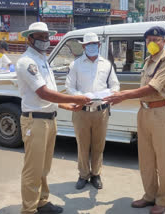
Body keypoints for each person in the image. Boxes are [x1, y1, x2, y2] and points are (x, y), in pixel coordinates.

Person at [104, 26, 165, 214]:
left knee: (162, 159)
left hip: (161, 112)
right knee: (146, 158)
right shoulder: (149, 61)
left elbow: (153, 88)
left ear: (163, 40)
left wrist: (124, 95)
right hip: (144, 111)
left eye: (156, 39)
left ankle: (162, 200)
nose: (152, 42)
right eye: (148, 39)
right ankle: (149, 195)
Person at [16, 22, 90, 214]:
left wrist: (67, 105)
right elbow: (44, 93)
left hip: (48, 119)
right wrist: (76, 97)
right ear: (29, 38)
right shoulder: (27, 62)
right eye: (40, 37)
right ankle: (29, 209)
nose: (44, 40)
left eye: (46, 36)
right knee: (33, 169)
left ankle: (41, 201)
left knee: (44, 167)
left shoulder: (42, 60)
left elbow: (50, 97)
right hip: (36, 121)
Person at [65, 32, 120, 190]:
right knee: (82, 145)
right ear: (83, 46)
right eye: (88, 45)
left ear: (99, 45)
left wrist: (111, 94)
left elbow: (115, 85)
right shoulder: (75, 65)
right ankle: (83, 175)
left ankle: (96, 174)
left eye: (94, 44)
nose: (91, 47)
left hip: (101, 111)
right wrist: (80, 97)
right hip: (81, 111)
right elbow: (69, 87)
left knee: (98, 145)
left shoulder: (107, 64)